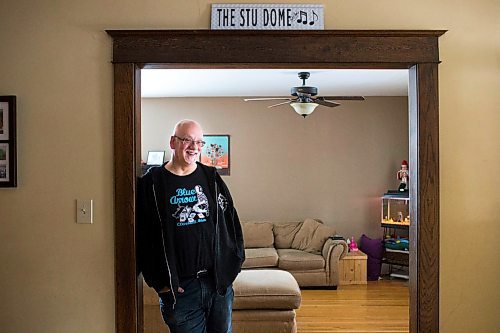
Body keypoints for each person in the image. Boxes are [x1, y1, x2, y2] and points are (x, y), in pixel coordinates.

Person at [137, 119, 245, 333]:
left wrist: (233, 263)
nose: (194, 147)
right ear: (172, 142)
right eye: (187, 140)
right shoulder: (152, 183)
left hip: (218, 285)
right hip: (180, 292)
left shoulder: (211, 178)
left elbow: (231, 220)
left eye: (199, 142)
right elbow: (141, 236)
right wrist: (160, 283)